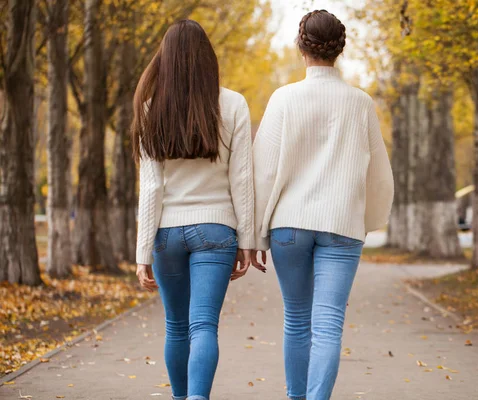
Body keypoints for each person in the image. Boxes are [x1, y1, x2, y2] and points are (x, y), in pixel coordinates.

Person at [252, 10, 394, 400]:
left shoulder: (283, 99)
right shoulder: (360, 103)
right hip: (341, 226)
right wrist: (366, 221)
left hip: (288, 226)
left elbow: (262, 172)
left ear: (301, 46)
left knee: (297, 321)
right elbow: (379, 174)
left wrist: (255, 236)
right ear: (340, 49)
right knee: (328, 324)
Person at [132, 20, 263, 400]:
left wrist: (142, 254)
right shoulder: (234, 103)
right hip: (216, 231)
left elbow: (151, 187)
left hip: (167, 234)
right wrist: (248, 241)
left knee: (176, 326)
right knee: (203, 326)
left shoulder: (150, 107)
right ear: (208, 58)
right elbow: (242, 181)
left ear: (166, 59)